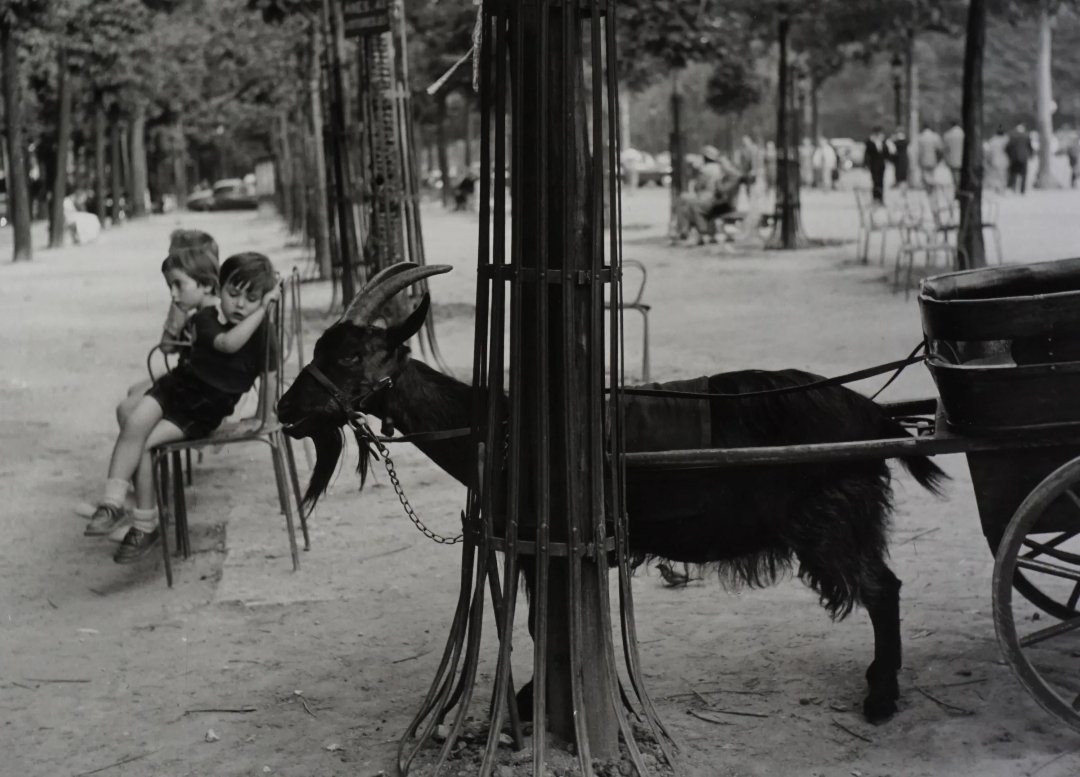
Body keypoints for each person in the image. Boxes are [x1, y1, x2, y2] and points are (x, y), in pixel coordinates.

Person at [85, 252, 280, 563]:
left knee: (147, 445)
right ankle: (112, 503)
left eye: (251, 298)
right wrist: (265, 306)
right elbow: (227, 343)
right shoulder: (205, 320)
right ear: (220, 289)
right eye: (233, 294)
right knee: (135, 422)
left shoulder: (263, 333)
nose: (240, 305)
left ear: (261, 302)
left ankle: (145, 525)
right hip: (177, 388)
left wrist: (261, 418)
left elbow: (269, 379)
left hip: (201, 411)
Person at [863, 126, 891, 203]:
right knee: (875, 181)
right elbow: (867, 154)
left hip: (881, 164)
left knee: (881, 181)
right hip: (873, 164)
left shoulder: (884, 142)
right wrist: (866, 164)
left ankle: (881, 198)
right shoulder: (870, 142)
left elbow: (887, 153)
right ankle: (875, 197)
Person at [1006, 123, 1033, 194]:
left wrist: (1010, 155)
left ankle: (1013, 188)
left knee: (1013, 174)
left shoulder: (1013, 137)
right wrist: (1030, 154)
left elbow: (1008, 147)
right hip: (1024, 158)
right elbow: (1030, 147)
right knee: (1023, 175)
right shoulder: (1027, 136)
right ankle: (1022, 190)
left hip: (1014, 158)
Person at [915, 123, 944, 188]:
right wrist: (939, 159)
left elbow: (918, 151)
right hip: (933, 159)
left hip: (923, 159)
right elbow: (940, 148)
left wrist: (918, 160)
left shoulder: (920, 137)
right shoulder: (935, 136)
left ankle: (928, 187)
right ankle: (931, 186)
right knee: (932, 174)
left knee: (925, 175)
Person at [986, 126, 1010, 193]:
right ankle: (1002, 189)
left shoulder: (992, 140)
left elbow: (989, 152)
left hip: (994, 160)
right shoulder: (1007, 140)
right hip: (1004, 160)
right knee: (1003, 175)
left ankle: (996, 188)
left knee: (995, 176)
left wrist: (988, 160)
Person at [942, 119, 965, 187]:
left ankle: (957, 188)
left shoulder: (948, 134)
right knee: (960, 174)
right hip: (962, 158)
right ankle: (959, 187)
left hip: (952, 159)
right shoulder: (963, 133)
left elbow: (945, 148)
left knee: (954, 175)